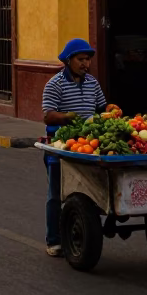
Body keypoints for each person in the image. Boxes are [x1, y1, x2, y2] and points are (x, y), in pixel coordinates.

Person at [41, 39, 107, 257]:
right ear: (69, 60)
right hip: (61, 146)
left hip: (88, 146)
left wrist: (110, 111)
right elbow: (48, 115)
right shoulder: (55, 84)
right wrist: (66, 117)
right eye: (81, 59)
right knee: (55, 194)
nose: (85, 64)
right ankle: (53, 240)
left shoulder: (93, 83)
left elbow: (101, 108)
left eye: (88, 59)